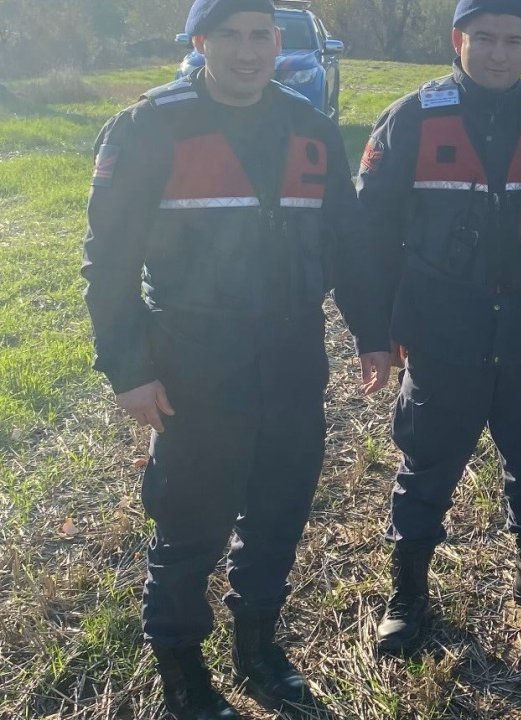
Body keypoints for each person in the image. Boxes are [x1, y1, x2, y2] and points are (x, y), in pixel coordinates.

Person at [82, 0, 392, 717]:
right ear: (200, 42)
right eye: (231, 36)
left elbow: (346, 245)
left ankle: (258, 648)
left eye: (262, 36)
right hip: (195, 356)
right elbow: (109, 263)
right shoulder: (147, 127)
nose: (249, 52)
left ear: (278, 42)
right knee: (192, 523)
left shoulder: (311, 129)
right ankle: (184, 674)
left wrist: (372, 333)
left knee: (279, 514)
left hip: (290, 354)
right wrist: (128, 367)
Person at [357, 0, 521, 654]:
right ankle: (409, 595)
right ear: (457, 40)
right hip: (443, 333)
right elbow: (369, 234)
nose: (498, 52)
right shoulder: (413, 119)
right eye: (485, 39)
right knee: (429, 466)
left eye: (511, 40)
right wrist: (376, 329)